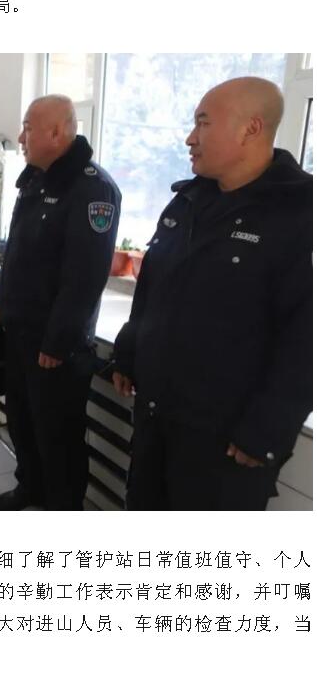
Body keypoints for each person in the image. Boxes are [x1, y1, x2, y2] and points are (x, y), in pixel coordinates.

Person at [112, 77, 312, 510]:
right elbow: (152, 289)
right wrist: (129, 350)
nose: (190, 138)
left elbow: (305, 338)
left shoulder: (300, 215)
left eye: (203, 123)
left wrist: (269, 429)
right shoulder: (188, 201)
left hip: (227, 440)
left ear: (251, 128)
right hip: (158, 414)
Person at [0, 95, 121, 510]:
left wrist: (57, 342)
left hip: (56, 347)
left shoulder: (93, 189)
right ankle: (30, 488)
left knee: (57, 436)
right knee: (22, 422)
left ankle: (62, 508)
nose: (21, 137)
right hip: (20, 332)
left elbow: (85, 277)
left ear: (57, 132)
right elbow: (16, 252)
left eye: (28, 127)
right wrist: (0, 301)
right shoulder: (35, 179)